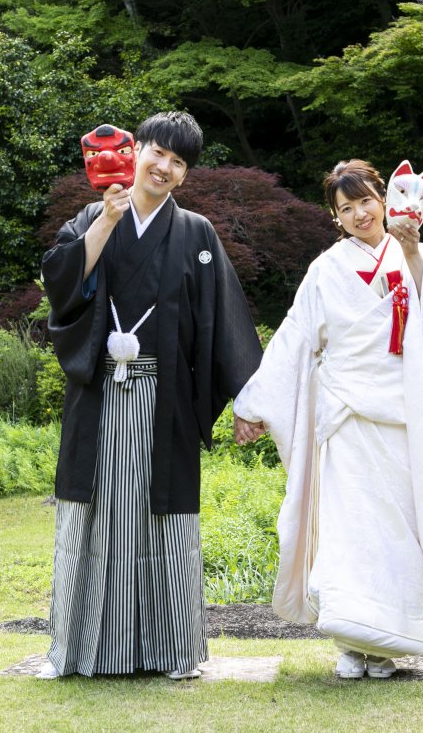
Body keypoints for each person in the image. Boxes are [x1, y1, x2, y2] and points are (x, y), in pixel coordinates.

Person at [38, 111, 263, 680]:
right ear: (137, 151)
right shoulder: (93, 214)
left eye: (179, 162)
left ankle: (170, 651)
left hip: (165, 399)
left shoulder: (196, 234)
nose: (165, 167)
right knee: (92, 515)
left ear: (185, 175)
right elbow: (62, 289)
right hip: (100, 396)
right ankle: (80, 651)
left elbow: (225, 318)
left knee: (163, 521)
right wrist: (104, 226)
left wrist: (248, 399)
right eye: (159, 153)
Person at [232, 159, 423, 679]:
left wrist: (408, 251)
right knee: (350, 532)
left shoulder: (417, 254)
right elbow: (296, 337)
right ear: (335, 217)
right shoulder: (326, 269)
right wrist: (252, 405)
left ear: (384, 200)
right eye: (346, 208)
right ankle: (349, 643)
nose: (359, 213)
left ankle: (386, 646)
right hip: (345, 418)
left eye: (366, 201)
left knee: (396, 532)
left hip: (402, 415)